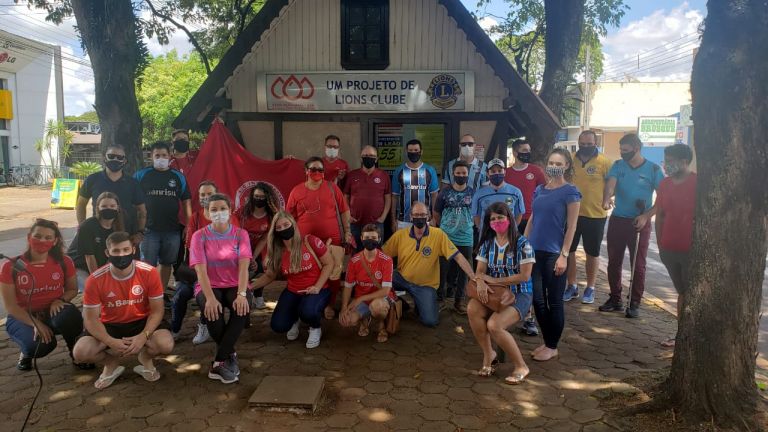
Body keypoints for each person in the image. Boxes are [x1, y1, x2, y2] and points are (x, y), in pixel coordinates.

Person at [73, 231, 174, 390]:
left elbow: (157, 311)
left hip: (141, 321)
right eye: (116, 251)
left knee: (165, 344)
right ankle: (111, 363)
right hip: (110, 325)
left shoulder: (149, 272)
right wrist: (109, 341)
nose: (121, 255)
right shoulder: (95, 279)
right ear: (107, 253)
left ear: (133, 250)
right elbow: (90, 319)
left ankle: (145, 358)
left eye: (126, 250)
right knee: (81, 352)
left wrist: (143, 336)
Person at [1, 219, 89, 370]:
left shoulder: (64, 261)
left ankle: (76, 354)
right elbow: (11, 306)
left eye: (48, 237)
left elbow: (72, 289)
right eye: (38, 236)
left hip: (53, 312)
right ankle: (26, 353)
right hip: (23, 316)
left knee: (70, 316)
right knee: (39, 346)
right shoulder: (11, 266)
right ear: (29, 237)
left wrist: (60, 300)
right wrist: (35, 323)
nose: (42, 240)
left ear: (55, 241)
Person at [468, 202, 535, 384]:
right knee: (472, 308)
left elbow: (524, 276)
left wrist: (494, 280)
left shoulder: (523, 244)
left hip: (519, 292)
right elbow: (480, 271)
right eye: (493, 219)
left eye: (500, 217)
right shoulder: (487, 244)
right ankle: (489, 354)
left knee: (494, 325)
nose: (497, 221)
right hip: (494, 293)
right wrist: (480, 282)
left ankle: (521, 366)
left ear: (509, 219)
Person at [599, 133, 664, 318]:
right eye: (621, 149)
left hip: (639, 222)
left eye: (625, 150)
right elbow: (610, 185)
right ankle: (615, 299)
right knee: (614, 262)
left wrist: (646, 216)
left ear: (637, 148)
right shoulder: (618, 165)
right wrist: (606, 198)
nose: (622, 153)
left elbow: (663, 198)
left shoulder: (653, 169)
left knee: (638, 264)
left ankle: (634, 302)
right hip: (618, 220)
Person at [189, 193, 252, 384]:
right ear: (207, 213)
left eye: (223, 208)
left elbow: (244, 268)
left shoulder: (241, 234)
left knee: (242, 307)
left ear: (230, 211)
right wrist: (209, 298)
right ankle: (229, 355)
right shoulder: (199, 236)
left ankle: (218, 362)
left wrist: (242, 294)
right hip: (209, 285)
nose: (219, 213)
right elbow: (200, 271)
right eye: (214, 209)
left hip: (235, 284)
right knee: (212, 310)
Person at [525, 149, 580, 362]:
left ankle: (552, 345)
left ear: (566, 166)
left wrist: (564, 255)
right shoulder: (540, 189)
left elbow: (572, 226)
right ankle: (548, 340)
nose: (554, 166)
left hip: (554, 253)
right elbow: (533, 219)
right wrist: (523, 244)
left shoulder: (570, 192)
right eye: (551, 162)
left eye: (558, 163)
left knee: (554, 301)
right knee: (537, 299)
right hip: (533, 252)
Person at [383, 202, 477, 327]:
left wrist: (473, 276)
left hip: (425, 286)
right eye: (416, 214)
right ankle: (399, 302)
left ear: (428, 216)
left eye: (423, 214)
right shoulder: (400, 235)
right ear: (411, 216)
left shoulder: (438, 234)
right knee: (379, 280)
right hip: (402, 279)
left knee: (430, 321)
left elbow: (458, 257)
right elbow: (382, 255)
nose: (419, 217)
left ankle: (420, 303)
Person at [251, 211, 334, 349]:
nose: (283, 229)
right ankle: (294, 318)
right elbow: (270, 275)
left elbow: (329, 263)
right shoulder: (277, 251)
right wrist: (248, 287)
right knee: (278, 326)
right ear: (275, 232)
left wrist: (317, 287)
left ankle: (315, 327)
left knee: (308, 312)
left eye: (286, 224)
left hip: (318, 289)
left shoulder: (310, 241)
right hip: (293, 291)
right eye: (279, 227)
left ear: (293, 224)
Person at [286, 157, 352, 320]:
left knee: (334, 273)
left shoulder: (332, 188)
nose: (317, 172)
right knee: (309, 272)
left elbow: (344, 211)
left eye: (320, 170)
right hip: (306, 243)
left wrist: (348, 232)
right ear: (306, 171)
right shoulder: (296, 191)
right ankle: (308, 301)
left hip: (333, 240)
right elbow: (289, 218)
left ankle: (330, 304)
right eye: (313, 169)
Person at [135, 141, 192, 292]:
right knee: (147, 266)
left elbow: (186, 202)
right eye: (157, 155)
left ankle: (160, 293)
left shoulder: (178, 176)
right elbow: (132, 200)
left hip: (172, 229)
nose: (161, 158)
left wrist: (188, 225)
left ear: (170, 156)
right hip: (148, 230)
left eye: (164, 155)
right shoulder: (141, 175)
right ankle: (146, 294)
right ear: (151, 156)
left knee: (166, 263)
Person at [565, 130, 612, 304]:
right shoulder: (570, 160)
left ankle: (590, 287)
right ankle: (572, 285)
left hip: (595, 215)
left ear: (595, 143)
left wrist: (607, 198)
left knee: (592, 252)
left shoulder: (605, 162)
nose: (585, 147)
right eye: (582, 144)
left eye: (589, 144)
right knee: (568, 251)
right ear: (578, 142)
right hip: (571, 214)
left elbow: (611, 185)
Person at [656, 144, 697, 347]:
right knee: (682, 292)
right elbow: (660, 215)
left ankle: (690, 336)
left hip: (692, 251)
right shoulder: (665, 184)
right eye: (666, 161)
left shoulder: (698, 183)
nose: (667, 165)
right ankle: (681, 334)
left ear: (684, 161)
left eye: (671, 161)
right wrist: (660, 244)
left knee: (691, 294)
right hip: (669, 249)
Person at [171, 180, 219, 344]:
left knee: (205, 296)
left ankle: (204, 325)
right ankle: (175, 330)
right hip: (195, 271)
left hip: (217, 273)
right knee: (179, 296)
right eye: (202, 194)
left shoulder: (225, 218)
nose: (206, 197)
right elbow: (192, 247)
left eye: (210, 194)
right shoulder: (195, 217)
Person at [76, 144, 146, 246]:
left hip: (126, 234)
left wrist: (140, 232)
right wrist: (83, 227)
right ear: (104, 158)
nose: (115, 159)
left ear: (125, 161)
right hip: (98, 233)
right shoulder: (92, 179)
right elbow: (81, 204)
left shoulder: (132, 183)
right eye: (111, 156)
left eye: (119, 157)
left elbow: (142, 210)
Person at [339, 224, 395, 343]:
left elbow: (385, 291)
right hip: (362, 301)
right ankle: (365, 318)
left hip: (380, 299)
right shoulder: (354, 261)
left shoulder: (386, 260)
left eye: (374, 238)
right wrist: (344, 308)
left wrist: (360, 299)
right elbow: (348, 287)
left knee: (377, 307)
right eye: (367, 237)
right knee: (346, 320)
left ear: (379, 239)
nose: (370, 240)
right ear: (361, 238)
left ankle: (381, 325)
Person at [433, 160, 474, 314]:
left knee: (464, 271)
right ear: (453, 174)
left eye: (464, 173)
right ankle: (440, 299)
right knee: (442, 269)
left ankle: (459, 301)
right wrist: (446, 228)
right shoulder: (444, 193)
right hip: (446, 237)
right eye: (458, 173)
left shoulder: (473, 193)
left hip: (466, 238)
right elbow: (436, 213)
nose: (461, 176)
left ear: (468, 174)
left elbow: (477, 214)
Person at [234, 182, 281, 309]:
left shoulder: (271, 216)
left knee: (261, 268)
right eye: (256, 196)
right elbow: (234, 233)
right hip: (239, 248)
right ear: (251, 196)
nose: (259, 199)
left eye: (262, 197)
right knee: (244, 269)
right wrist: (245, 256)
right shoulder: (242, 212)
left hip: (257, 248)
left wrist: (253, 257)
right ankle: (242, 292)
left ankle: (258, 295)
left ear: (268, 198)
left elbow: (264, 239)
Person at [68, 192, 125, 292]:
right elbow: (89, 257)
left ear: (118, 208)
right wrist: (98, 280)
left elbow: (114, 255)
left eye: (112, 206)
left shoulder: (118, 227)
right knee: (94, 290)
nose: (108, 209)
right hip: (78, 266)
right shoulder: (88, 226)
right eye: (104, 206)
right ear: (98, 208)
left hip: (101, 265)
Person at [344, 145, 392, 250]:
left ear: (376, 159)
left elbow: (388, 198)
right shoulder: (352, 175)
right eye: (365, 155)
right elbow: (345, 197)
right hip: (355, 223)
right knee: (356, 252)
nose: (368, 157)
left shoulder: (383, 175)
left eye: (371, 155)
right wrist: (348, 216)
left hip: (376, 223)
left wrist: (383, 217)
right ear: (361, 158)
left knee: (376, 252)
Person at [391, 139, 439, 231]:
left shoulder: (430, 170)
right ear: (406, 152)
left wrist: (434, 218)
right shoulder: (399, 171)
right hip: (403, 221)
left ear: (421, 151)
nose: (413, 153)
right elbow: (394, 197)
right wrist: (393, 220)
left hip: (426, 220)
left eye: (416, 150)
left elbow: (434, 196)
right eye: (411, 150)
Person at [472, 158, 525, 233]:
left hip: (508, 235)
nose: (497, 173)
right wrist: (483, 230)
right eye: (493, 171)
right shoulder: (479, 194)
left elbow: (519, 214)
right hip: (487, 235)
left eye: (500, 171)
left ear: (504, 172)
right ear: (487, 174)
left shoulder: (515, 192)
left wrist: (512, 229)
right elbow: (476, 215)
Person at [504, 139, 546, 234]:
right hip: (511, 218)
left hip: (531, 218)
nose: (528, 153)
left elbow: (544, 193)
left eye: (529, 150)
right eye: (524, 150)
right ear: (515, 153)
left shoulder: (536, 171)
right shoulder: (506, 173)